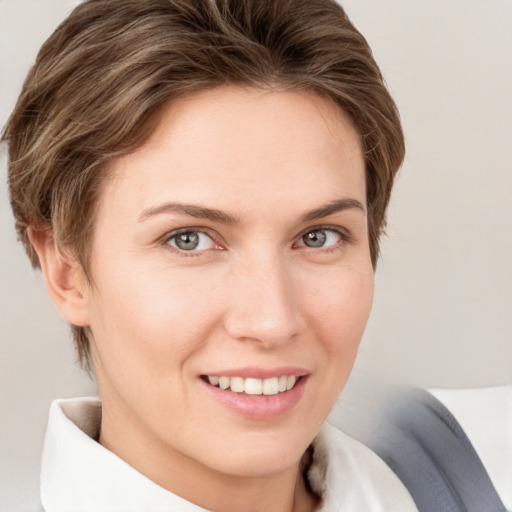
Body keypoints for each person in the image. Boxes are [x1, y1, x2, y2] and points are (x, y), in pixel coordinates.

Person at [2, 1, 509, 511]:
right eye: (189, 240)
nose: (272, 321)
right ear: (66, 272)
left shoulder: (489, 464)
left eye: (318, 237)